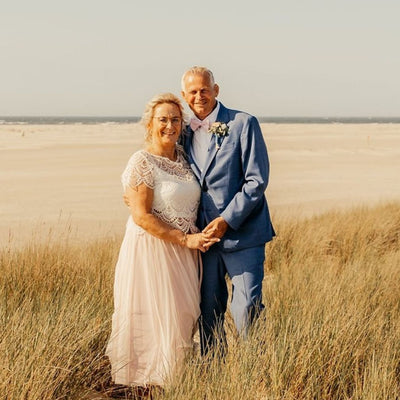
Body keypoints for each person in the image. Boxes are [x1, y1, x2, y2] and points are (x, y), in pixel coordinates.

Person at [106, 93, 219, 395]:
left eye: (175, 119)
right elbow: (142, 216)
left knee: (182, 317)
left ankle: (173, 381)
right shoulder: (141, 161)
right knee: (151, 316)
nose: (169, 125)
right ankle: (143, 387)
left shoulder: (183, 157)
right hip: (153, 249)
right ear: (149, 125)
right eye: (163, 120)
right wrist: (185, 238)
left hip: (184, 252)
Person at [180, 66, 275, 355]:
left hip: (243, 234)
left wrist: (226, 219)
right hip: (204, 240)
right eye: (193, 92)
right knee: (208, 310)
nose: (199, 96)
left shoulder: (243, 123)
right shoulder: (181, 131)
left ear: (216, 90)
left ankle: (253, 367)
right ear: (185, 96)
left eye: (204, 89)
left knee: (245, 306)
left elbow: (256, 180)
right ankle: (215, 371)